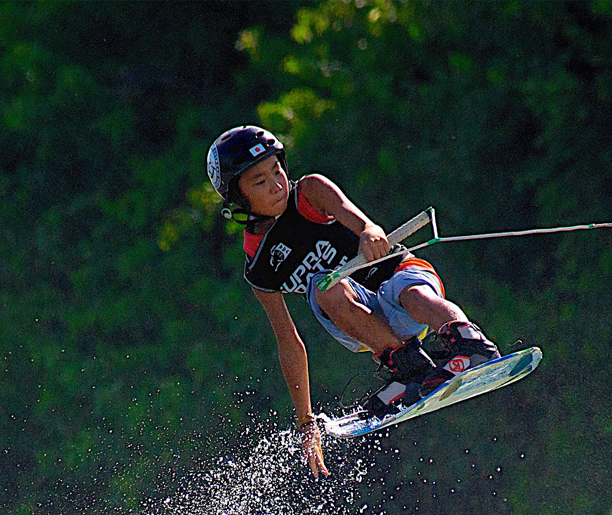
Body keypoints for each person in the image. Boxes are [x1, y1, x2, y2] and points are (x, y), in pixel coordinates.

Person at [206, 125, 500, 477]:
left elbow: (359, 221)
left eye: (277, 171)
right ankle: (409, 368)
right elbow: (289, 343)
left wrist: (370, 233)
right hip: (366, 320)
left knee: (409, 292)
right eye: (260, 181)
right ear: (238, 199)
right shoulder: (259, 267)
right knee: (323, 287)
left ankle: (469, 341)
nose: (277, 184)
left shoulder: (310, 192)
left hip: (398, 277)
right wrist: (306, 423)